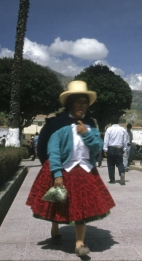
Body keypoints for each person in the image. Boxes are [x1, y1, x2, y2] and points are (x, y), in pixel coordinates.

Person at [26, 80, 115, 257]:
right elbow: (53, 150)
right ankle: (55, 228)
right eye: (78, 101)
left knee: (81, 208)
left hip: (85, 172)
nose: (82, 105)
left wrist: (86, 134)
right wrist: (57, 173)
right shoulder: (59, 125)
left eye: (85, 102)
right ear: (70, 103)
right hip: (64, 170)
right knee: (58, 202)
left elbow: (97, 147)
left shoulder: (90, 124)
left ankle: (79, 243)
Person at [103, 116, 128, 185]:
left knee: (111, 164)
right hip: (119, 148)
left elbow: (106, 141)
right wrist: (124, 149)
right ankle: (121, 172)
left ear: (111, 122)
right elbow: (125, 140)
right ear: (118, 121)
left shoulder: (109, 129)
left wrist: (105, 149)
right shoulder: (123, 130)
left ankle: (112, 179)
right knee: (120, 163)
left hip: (111, 148)